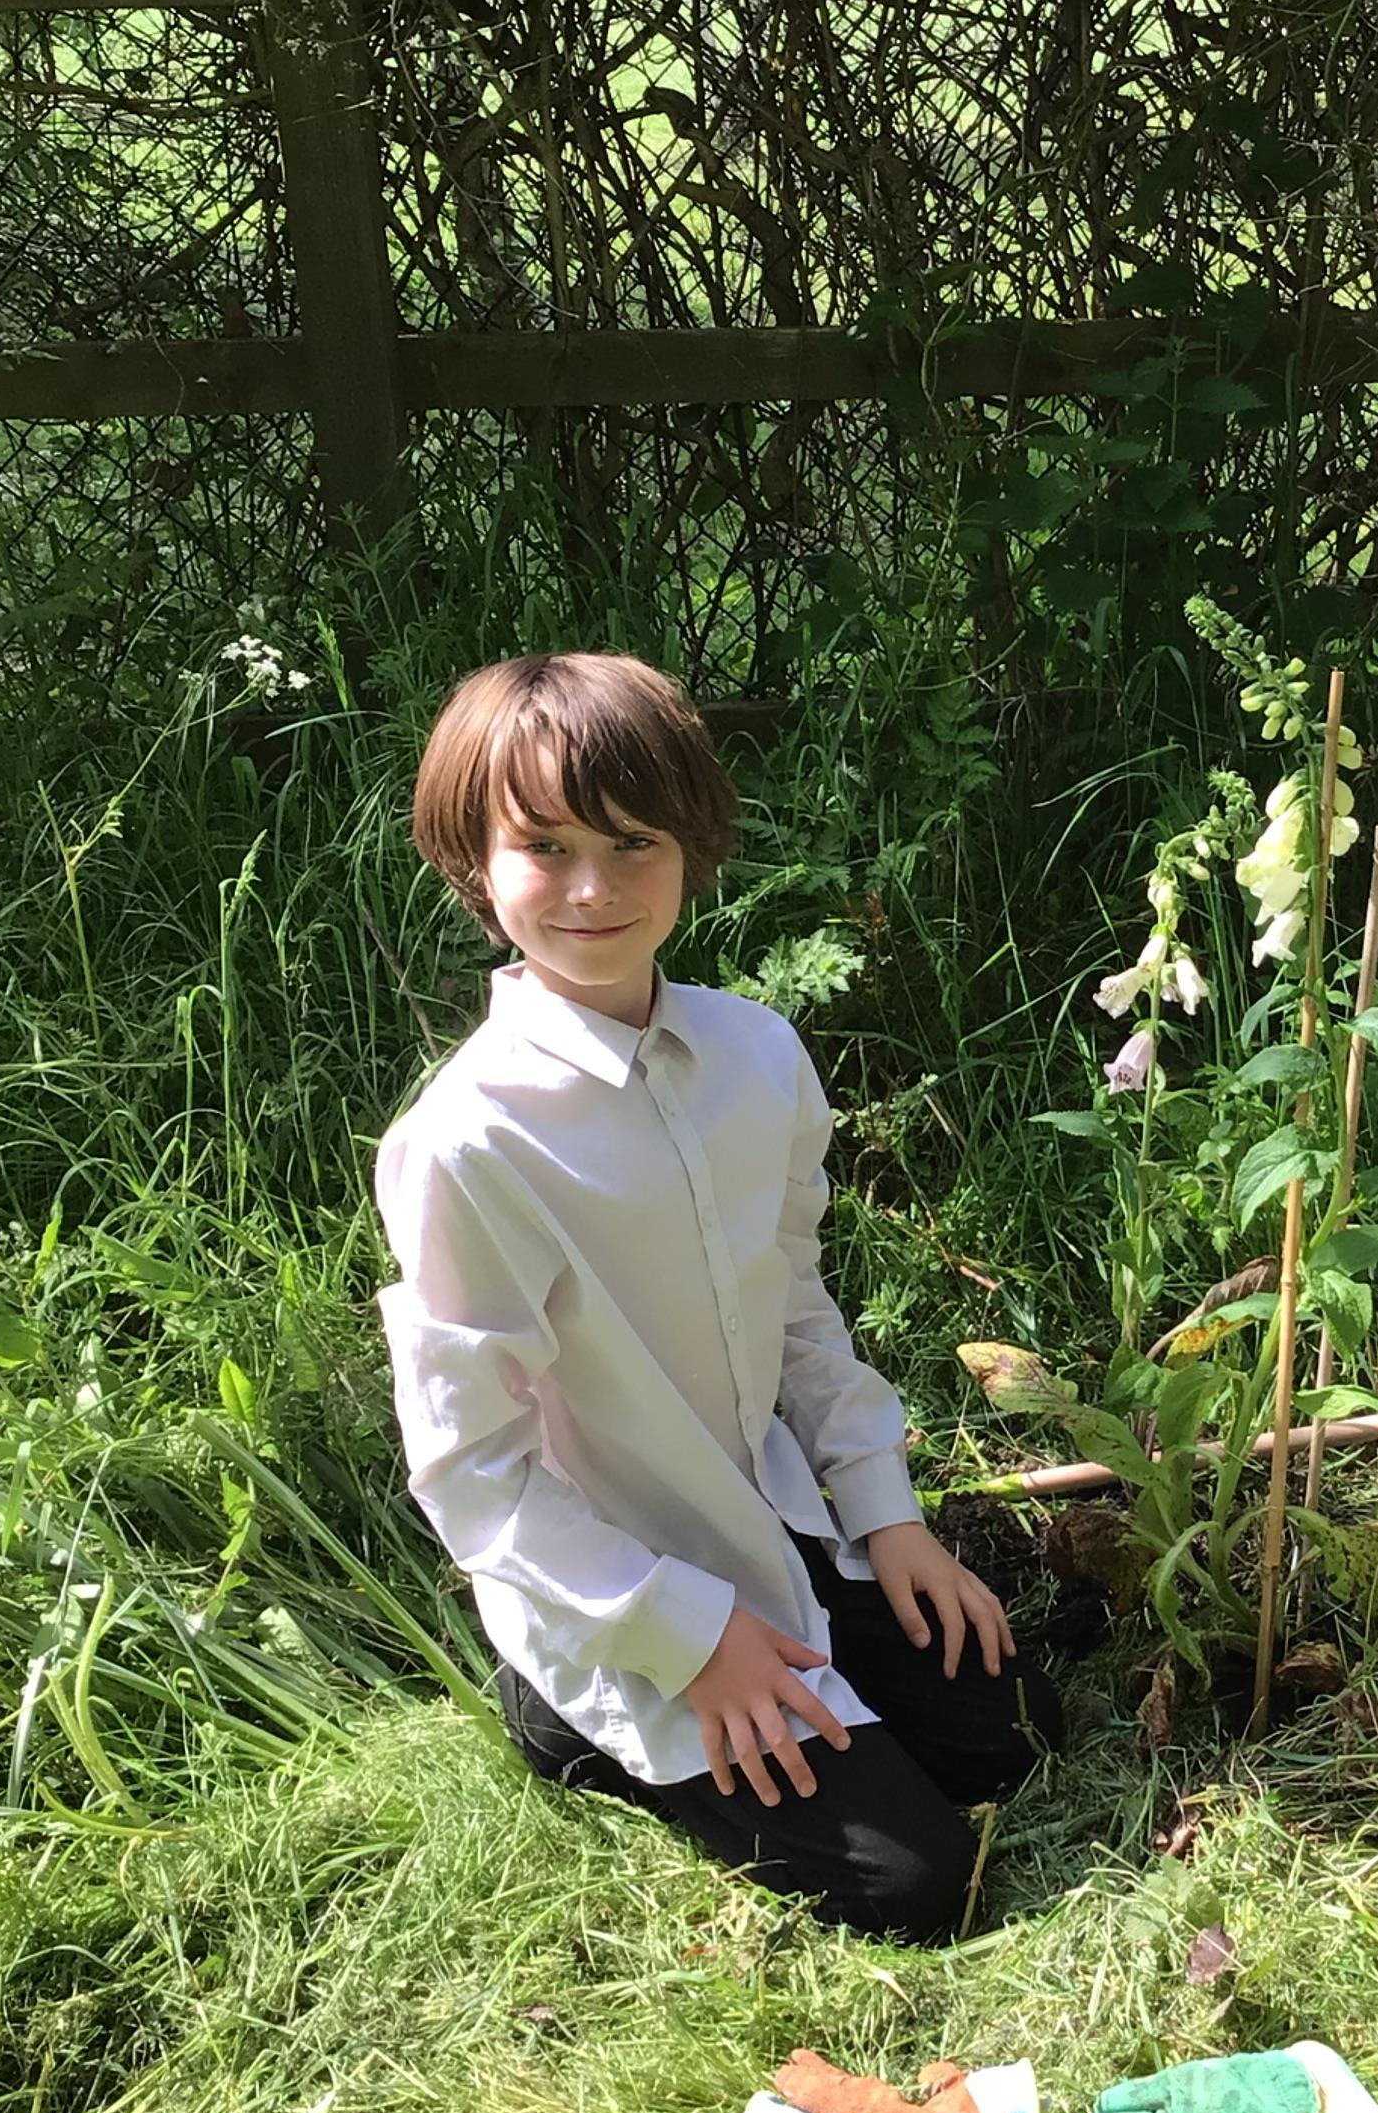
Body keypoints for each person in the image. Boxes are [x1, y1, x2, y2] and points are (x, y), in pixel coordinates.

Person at [374, 650, 1052, 1943]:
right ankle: (558, 1702)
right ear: (474, 860)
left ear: (693, 847)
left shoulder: (756, 1053)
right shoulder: (466, 1144)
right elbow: (477, 1476)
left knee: (1012, 1735)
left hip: (772, 1516)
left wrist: (888, 1516)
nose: (593, 887)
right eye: (546, 845)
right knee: (923, 1883)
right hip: (624, 1582)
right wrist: (689, 1641)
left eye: (635, 842)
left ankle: (811, 1638)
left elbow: (795, 1303)